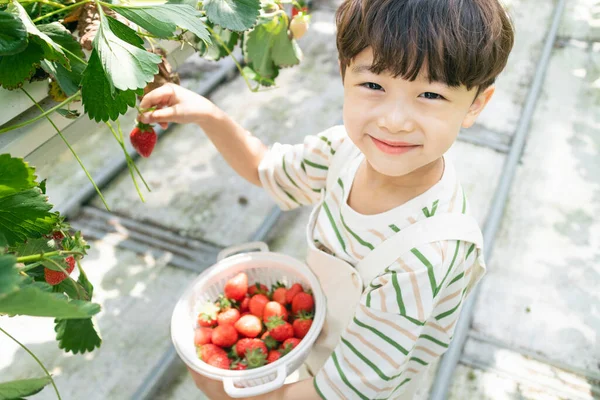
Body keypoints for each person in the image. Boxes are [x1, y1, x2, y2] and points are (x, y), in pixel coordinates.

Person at [139, 0, 515, 397]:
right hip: (316, 353)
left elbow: (342, 392)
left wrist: (224, 392)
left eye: (430, 95)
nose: (394, 120)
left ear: (475, 104)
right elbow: (266, 168)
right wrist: (208, 115)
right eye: (373, 86)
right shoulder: (343, 152)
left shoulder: (425, 255)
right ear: (344, 74)